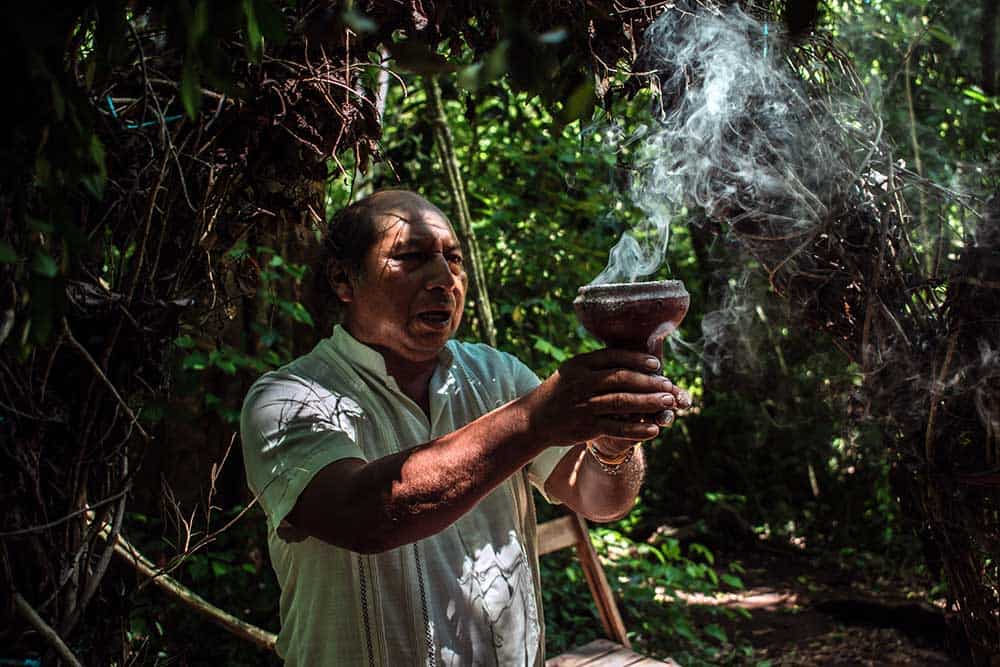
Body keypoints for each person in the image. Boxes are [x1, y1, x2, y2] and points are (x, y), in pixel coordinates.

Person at [240, 190, 690, 666]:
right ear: (343, 279)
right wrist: (537, 419)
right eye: (410, 258)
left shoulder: (497, 375)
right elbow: (361, 517)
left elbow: (601, 499)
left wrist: (615, 441)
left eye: (453, 260)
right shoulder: (288, 398)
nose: (443, 279)